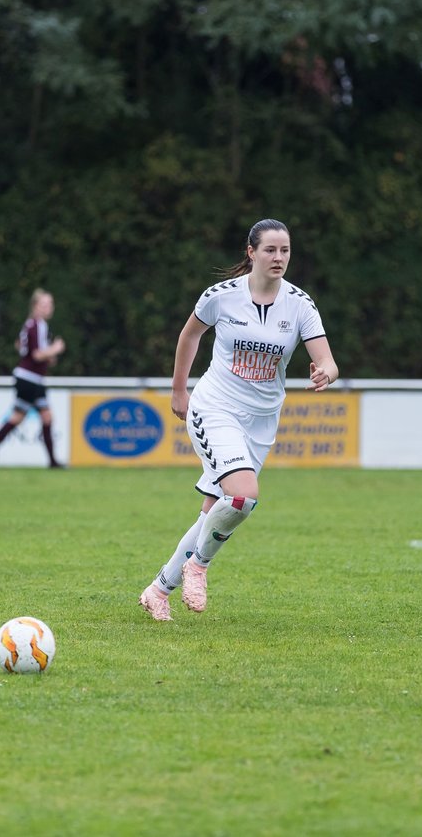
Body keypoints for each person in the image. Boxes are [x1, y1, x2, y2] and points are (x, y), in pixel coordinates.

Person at [138, 219, 339, 621]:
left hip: (262, 422)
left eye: (285, 250)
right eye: (270, 250)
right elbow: (189, 335)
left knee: (217, 508)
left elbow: (328, 360)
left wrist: (325, 373)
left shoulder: (300, 304)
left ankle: (158, 591)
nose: (278, 257)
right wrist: (179, 391)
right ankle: (199, 566)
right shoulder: (222, 296)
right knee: (244, 495)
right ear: (251, 252)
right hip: (215, 408)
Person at [0, 288, 66, 469]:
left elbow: (22, 347)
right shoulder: (36, 325)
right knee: (31, 417)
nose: (49, 307)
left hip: (32, 379)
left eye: (50, 304)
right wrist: (55, 349)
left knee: (34, 417)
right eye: (45, 304)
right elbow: (36, 355)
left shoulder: (33, 326)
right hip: (29, 379)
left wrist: (48, 355)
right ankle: (51, 462)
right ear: (35, 306)